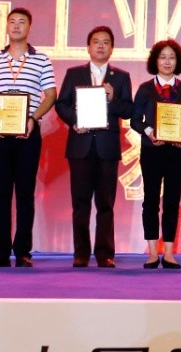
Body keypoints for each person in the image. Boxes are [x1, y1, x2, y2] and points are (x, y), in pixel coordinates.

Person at [0, 7, 56, 268]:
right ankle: (1, 252)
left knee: (24, 194)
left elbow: (51, 95)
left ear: (29, 28)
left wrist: (33, 118)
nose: (16, 26)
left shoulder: (41, 60)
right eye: (12, 21)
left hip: (27, 135)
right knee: (1, 195)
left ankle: (23, 252)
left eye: (22, 22)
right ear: (7, 26)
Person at [53, 25, 133, 268]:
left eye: (106, 42)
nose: (100, 46)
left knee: (106, 204)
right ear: (88, 47)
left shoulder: (121, 77)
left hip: (107, 148)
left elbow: (128, 110)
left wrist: (113, 97)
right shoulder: (74, 74)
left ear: (112, 48)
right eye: (96, 41)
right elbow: (61, 104)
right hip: (81, 145)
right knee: (80, 203)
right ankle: (81, 253)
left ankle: (105, 253)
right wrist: (75, 121)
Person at [130, 39, 181, 269]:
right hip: (152, 150)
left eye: (172, 57)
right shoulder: (145, 88)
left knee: (172, 200)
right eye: (163, 57)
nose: (167, 62)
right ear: (155, 61)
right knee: (150, 200)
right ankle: (151, 252)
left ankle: (168, 252)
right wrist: (149, 132)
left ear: (178, 61)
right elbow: (135, 120)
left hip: (176, 151)